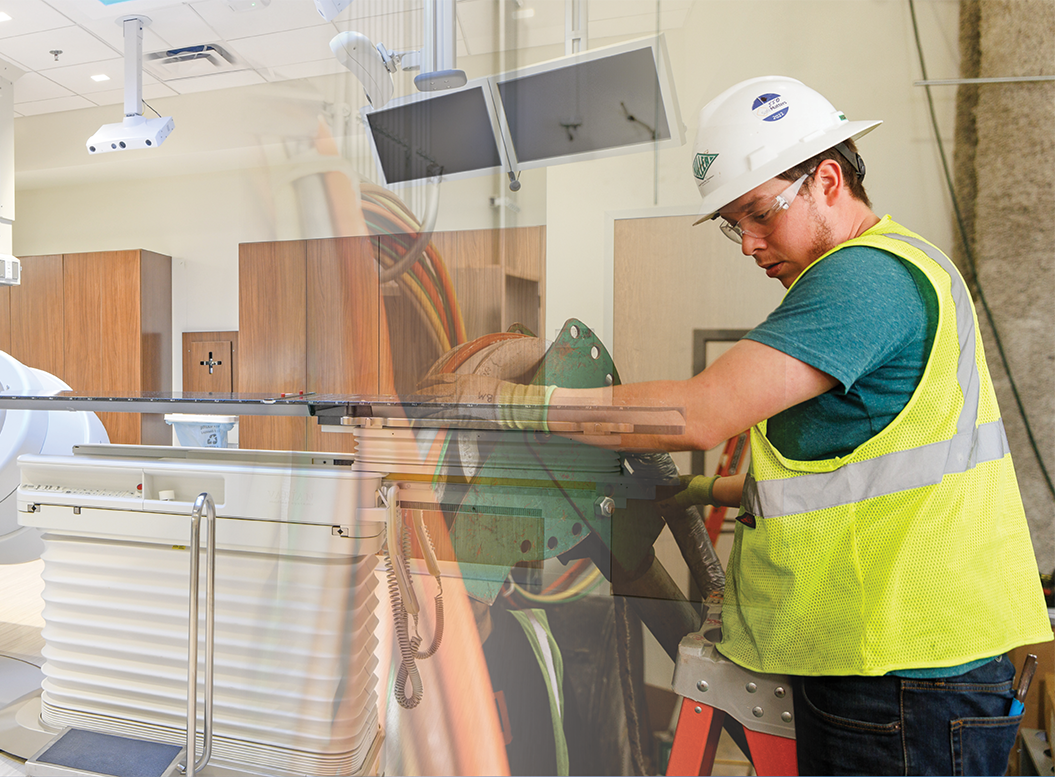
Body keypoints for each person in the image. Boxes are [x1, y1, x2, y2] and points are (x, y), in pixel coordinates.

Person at [420, 76, 1052, 775]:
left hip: (901, 674)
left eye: (758, 213)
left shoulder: (861, 280)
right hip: (894, 661)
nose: (748, 244)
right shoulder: (899, 266)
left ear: (827, 179)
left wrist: (507, 403)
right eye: (732, 224)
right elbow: (862, 470)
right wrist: (703, 493)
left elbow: (699, 412)